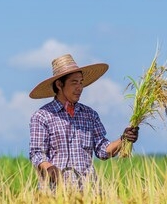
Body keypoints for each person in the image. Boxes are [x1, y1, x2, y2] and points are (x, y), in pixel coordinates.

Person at [29, 54, 139, 190]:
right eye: (74, 83)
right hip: (55, 192)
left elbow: (102, 150)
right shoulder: (42, 116)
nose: (79, 88)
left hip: (88, 192)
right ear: (59, 84)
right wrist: (49, 168)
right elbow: (37, 153)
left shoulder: (90, 115)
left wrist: (124, 139)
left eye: (81, 82)